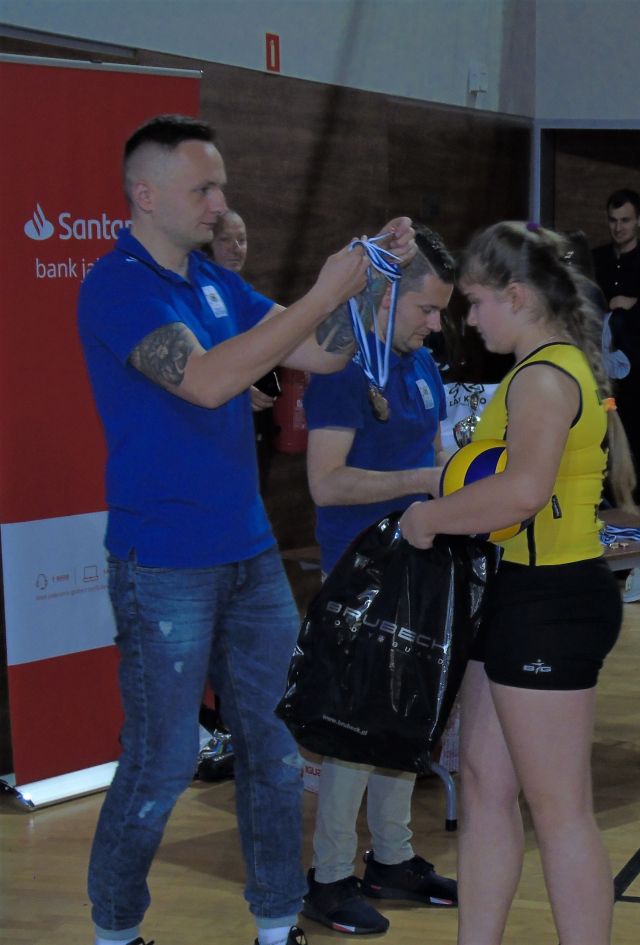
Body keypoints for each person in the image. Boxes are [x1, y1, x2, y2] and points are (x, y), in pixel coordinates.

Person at [77, 113, 415, 945]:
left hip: (250, 553)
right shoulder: (117, 285)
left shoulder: (214, 281)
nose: (220, 204)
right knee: (162, 759)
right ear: (145, 194)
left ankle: (275, 922)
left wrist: (369, 274)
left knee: (274, 745)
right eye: (204, 188)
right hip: (164, 562)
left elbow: (323, 353)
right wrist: (323, 292)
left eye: (221, 185)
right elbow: (204, 380)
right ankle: (116, 931)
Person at [398, 222, 635, 945]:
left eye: (475, 303)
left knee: (560, 810)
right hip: (513, 593)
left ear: (519, 295)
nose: (469, 320)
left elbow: (523, 491)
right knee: (483, 785)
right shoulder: (535, 371)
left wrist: (428, 519)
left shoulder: (542, 376)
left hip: (549, 600)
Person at [300, 225, 460, 935]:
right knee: (355, 727)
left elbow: (434, 453)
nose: (437, 324)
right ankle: (329, 876)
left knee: (402, 715)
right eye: (427, 308)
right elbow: (326, 483)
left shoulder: (421, 364)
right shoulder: (341, 368)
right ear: (387, 297)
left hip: (417, 562)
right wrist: (424, 481)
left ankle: (391, 857)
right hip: (358, 570)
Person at [592, 188, 640, 506]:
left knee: (633, 434)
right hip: (597, 367)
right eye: (613, 220)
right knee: (597, 435)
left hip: (636, 369)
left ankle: (635, 504)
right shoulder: (595, 259)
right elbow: (589, 308)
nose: (618, 227)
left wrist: (627, 306)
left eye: (625, 220)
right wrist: (624, 304)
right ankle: (600, 503)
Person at [207, 210, 281, 493]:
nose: (235, 248)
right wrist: (241, 388)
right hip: (216, 433)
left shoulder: (245, 294)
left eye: (242, 240)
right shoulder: (198, 297)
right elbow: (200, 368)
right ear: (208, 245)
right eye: (225, 240)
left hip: (256, 429)